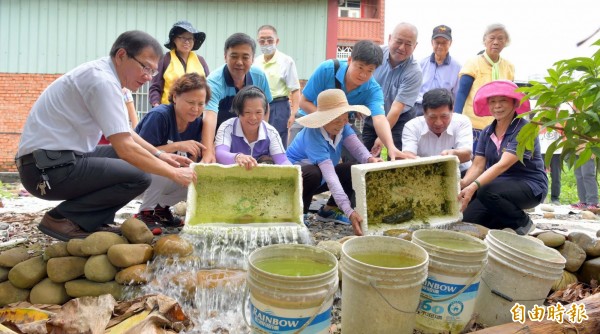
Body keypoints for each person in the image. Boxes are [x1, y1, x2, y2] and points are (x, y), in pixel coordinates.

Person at [15, 30, 195, 241]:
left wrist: (159, 155)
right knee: (138, 176)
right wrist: (174, 174)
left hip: (54, 161)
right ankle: (63, 219)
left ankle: (92, 221)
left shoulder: (106, 76)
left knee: (133, 165)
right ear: (121, 56)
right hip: (44, 171)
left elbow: (124, 131)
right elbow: (125, 148)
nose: (148, 77)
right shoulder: (102, 81)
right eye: (145, 67)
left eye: (153, 72)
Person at [289, 40, 408, 160]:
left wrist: (390, 146)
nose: (363, 75)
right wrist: (327, 120)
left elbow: (380, 119)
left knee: (360, 159)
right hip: (310, 117)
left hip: (342, 124)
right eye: (360, 67)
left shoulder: (373, 90)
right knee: (294, 162)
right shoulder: (327, 69)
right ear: (350, 60)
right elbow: (304, 102)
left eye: (369, 71)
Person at [286, 89, 382, 236]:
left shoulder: (344, 127)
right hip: (296, 183)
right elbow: (330, 177)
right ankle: (300, 214)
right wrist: (349, 211)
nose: (341, 124)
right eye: (336, 120)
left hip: (321, 177)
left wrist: (371, 160)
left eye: (344, 119)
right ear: (323, 119)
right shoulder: (313, 135)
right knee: (314, 172)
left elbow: (358, 149)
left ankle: (328, 210)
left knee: (352, 168)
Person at [458, 80, 546, 235]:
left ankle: (523, 223)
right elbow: (478, 165)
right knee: (468, 220)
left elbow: (503, 164)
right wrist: (463, 184)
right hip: (497, 186)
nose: (497, 106)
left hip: (529, 185)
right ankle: (502, 223)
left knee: (483, 189)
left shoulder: (525, 129)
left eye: (503, 101)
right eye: (492, 102)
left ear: (515, 104)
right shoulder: (486, 131)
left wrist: (472, 187)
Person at [134, 72, 209, 231]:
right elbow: (139, 152)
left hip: (162, 180)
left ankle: (161, 209)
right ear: (175, 97)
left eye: (201, 104)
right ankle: (144, 212)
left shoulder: (197, 123)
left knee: (197, 177)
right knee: (163, 164)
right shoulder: (160, 116)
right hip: (136, 176)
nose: (195, 109)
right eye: (190, 102)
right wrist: (178, 145)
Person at [202, 33, 272, 163]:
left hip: (248, 135)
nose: (239, 62)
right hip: (220, 138)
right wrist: (208, 151)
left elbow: (265, 107)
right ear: (225, 57)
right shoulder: (214, 81)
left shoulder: (259, 77)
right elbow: (209, 116)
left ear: (253, 59)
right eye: (234, 56)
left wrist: (260, 138)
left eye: (245, 57)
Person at [454, 24, 515, 150]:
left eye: (500, 39)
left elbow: (511, 97)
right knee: (472, 163)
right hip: (473, 126)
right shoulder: (473, 63)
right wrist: (456, 120)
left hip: (499, 125)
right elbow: (461, 93)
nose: (496, 42)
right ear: (484, 40)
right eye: (492, 38)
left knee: (494, 164)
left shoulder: (509, 67)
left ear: (506, 42)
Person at [370, 22, 423, 154]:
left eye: (408, 44)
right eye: (398, 41)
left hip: (400, 118)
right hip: (374, 113)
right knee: (364, 155)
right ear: (389, 38)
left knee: (397, 159)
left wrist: (382, 137)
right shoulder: (375, 55)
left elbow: (396, 109)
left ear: (415, 46)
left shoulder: (414, 72)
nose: (402, 47)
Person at [215, 86, 290, 170]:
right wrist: (237, 157)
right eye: (247, 112)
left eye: (258, 112)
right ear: (238, 111)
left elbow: (282, 161)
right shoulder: (227, 127)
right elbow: (219, 153)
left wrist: (294, 172)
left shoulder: (271, 132)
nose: (253, 117)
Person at [402, 88, 473, 177]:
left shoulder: (462, 122)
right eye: (432, 117)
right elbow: (408, 157)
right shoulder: (412, 126)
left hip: (459, 172)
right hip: (424, 174)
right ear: (424, 112)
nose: (438, 122)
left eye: (444, 116)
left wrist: (452, 155)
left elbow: (467, 154)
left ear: (452, 111)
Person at [254, 25, 300, 148]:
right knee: (259, 139)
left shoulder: (286, 61)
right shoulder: (255, 62)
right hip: (259, 105)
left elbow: (295, 89)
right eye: (262, 40)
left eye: (270, 40)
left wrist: (294, 113)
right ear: (258, 42)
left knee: (277, 141)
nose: (266, 43)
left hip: (279, 106)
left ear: (277, 41)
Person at [149, 20, 210, 108]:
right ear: (174, 39)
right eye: (183, 38)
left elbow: (208, 86)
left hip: (195, 111)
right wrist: (156, 106)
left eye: (190, 38)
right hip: (168, 110)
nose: (187, 42)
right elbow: (155, 87)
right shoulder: (165, 59)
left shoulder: (201, 61)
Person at [414, 25, 461, 117]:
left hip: (443, 111)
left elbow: (457, 95)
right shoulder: (421, 64)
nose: (440, 46)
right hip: (420, 108)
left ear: (450, 43)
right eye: (437, 42)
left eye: (444, 43)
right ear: (432, 42)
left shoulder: (457, 67)